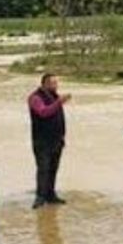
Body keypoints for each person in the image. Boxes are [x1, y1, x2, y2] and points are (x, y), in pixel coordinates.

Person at [29, 73, 70, 209]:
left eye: (56, 83)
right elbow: (43, 112)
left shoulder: (54, 96)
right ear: (44, 84)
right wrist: (59, 102)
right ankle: (40, 197)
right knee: (43, 169)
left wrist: (62, 137)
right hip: (42, 141)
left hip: (56, 140)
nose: (55, 86)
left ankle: (50, 195)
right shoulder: (35, 98)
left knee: (53, 169)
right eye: (52, 83)